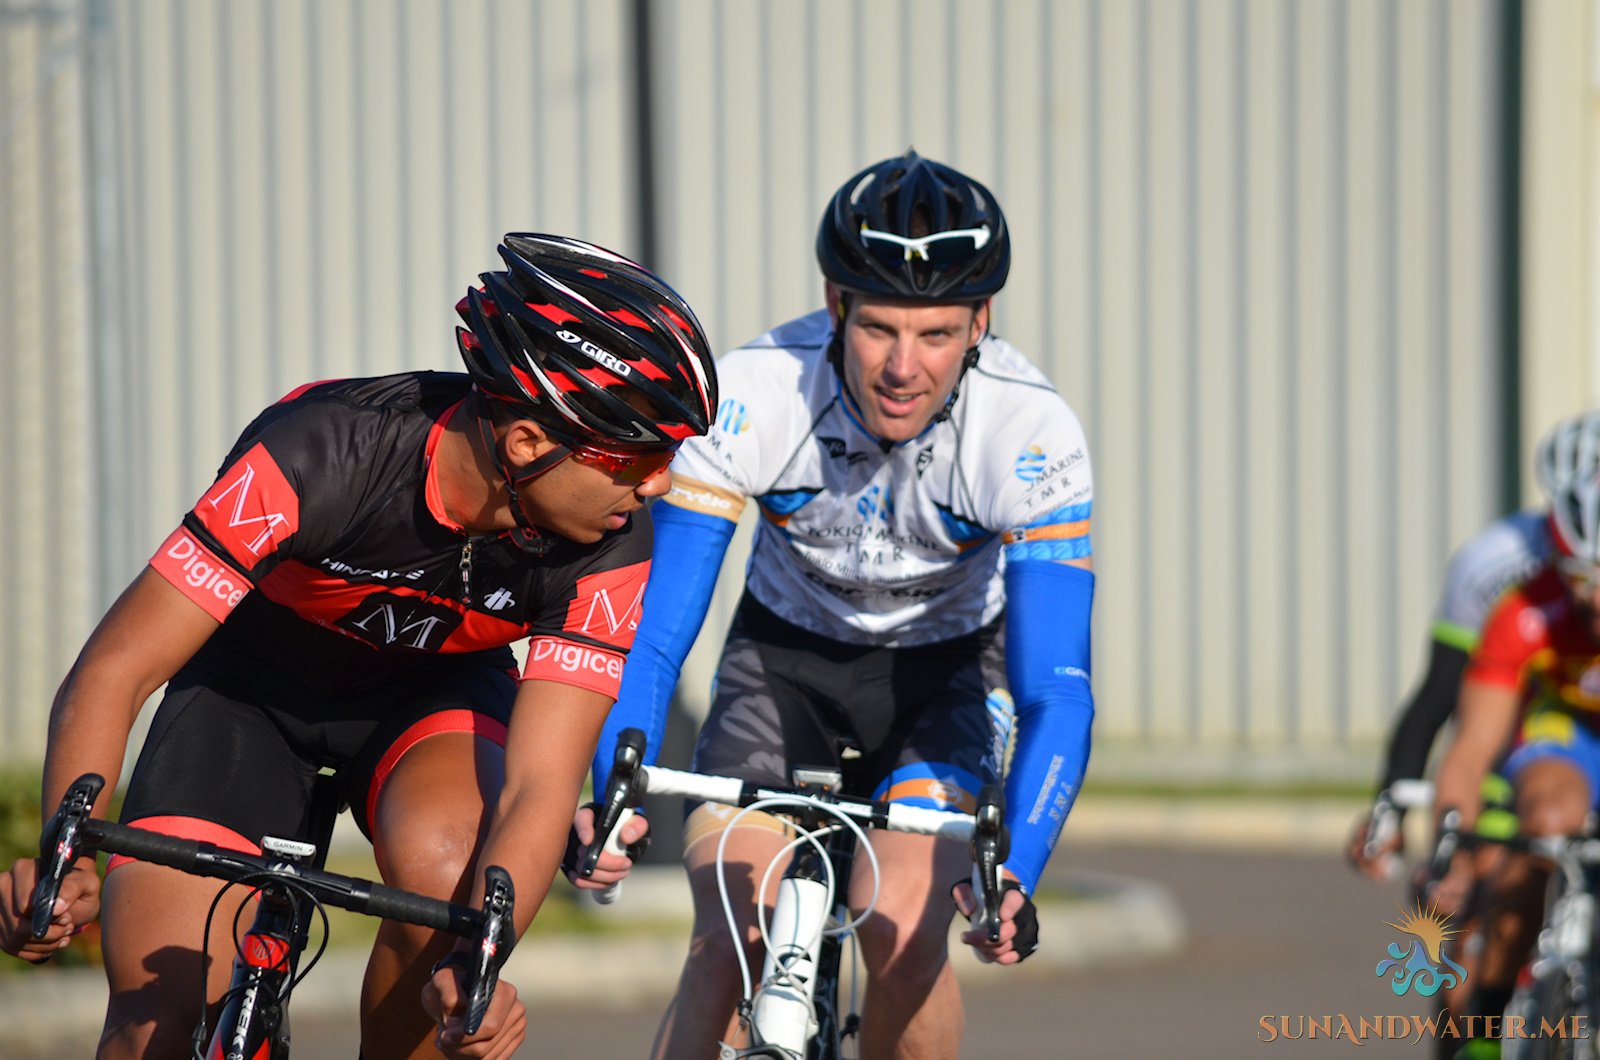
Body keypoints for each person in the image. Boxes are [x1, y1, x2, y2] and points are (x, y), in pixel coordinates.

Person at [0, 233, 716, 1058]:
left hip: (434, 695)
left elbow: (539, 786)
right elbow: (116, 667)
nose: (660, 483)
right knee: (156, 1020)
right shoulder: (321, 453)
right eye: (640, 456)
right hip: (251, 689)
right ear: (526, 442)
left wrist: (476, 967)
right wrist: (64, 859)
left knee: (449, 884)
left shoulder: (614, 541)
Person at [568, 150, 1095, 1059]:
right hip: (782, 666)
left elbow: (1056, 690)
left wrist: (1015, 869)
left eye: (937, 334)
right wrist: (616, 789)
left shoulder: (1031, 434)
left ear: (981, 323)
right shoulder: (754, 392)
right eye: (879, 328)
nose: (902, 367)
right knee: (727, 945)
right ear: (836, 304)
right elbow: (650, 638)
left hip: (944, 683)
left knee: (901, 937)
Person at [1346, 411, 1600, 881]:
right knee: (1488, 868)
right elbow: (1440, 691)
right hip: (1527, 714)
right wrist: (1395, 805)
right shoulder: (1493, 562)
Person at [1431, 460, 1600, 1057]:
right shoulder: (1528, 608)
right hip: (1568, 732)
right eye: (1582, 577)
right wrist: (1450, 850)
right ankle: (1484, 1022)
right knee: (1547, 825)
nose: (1596, 597)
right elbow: (1472, 746)